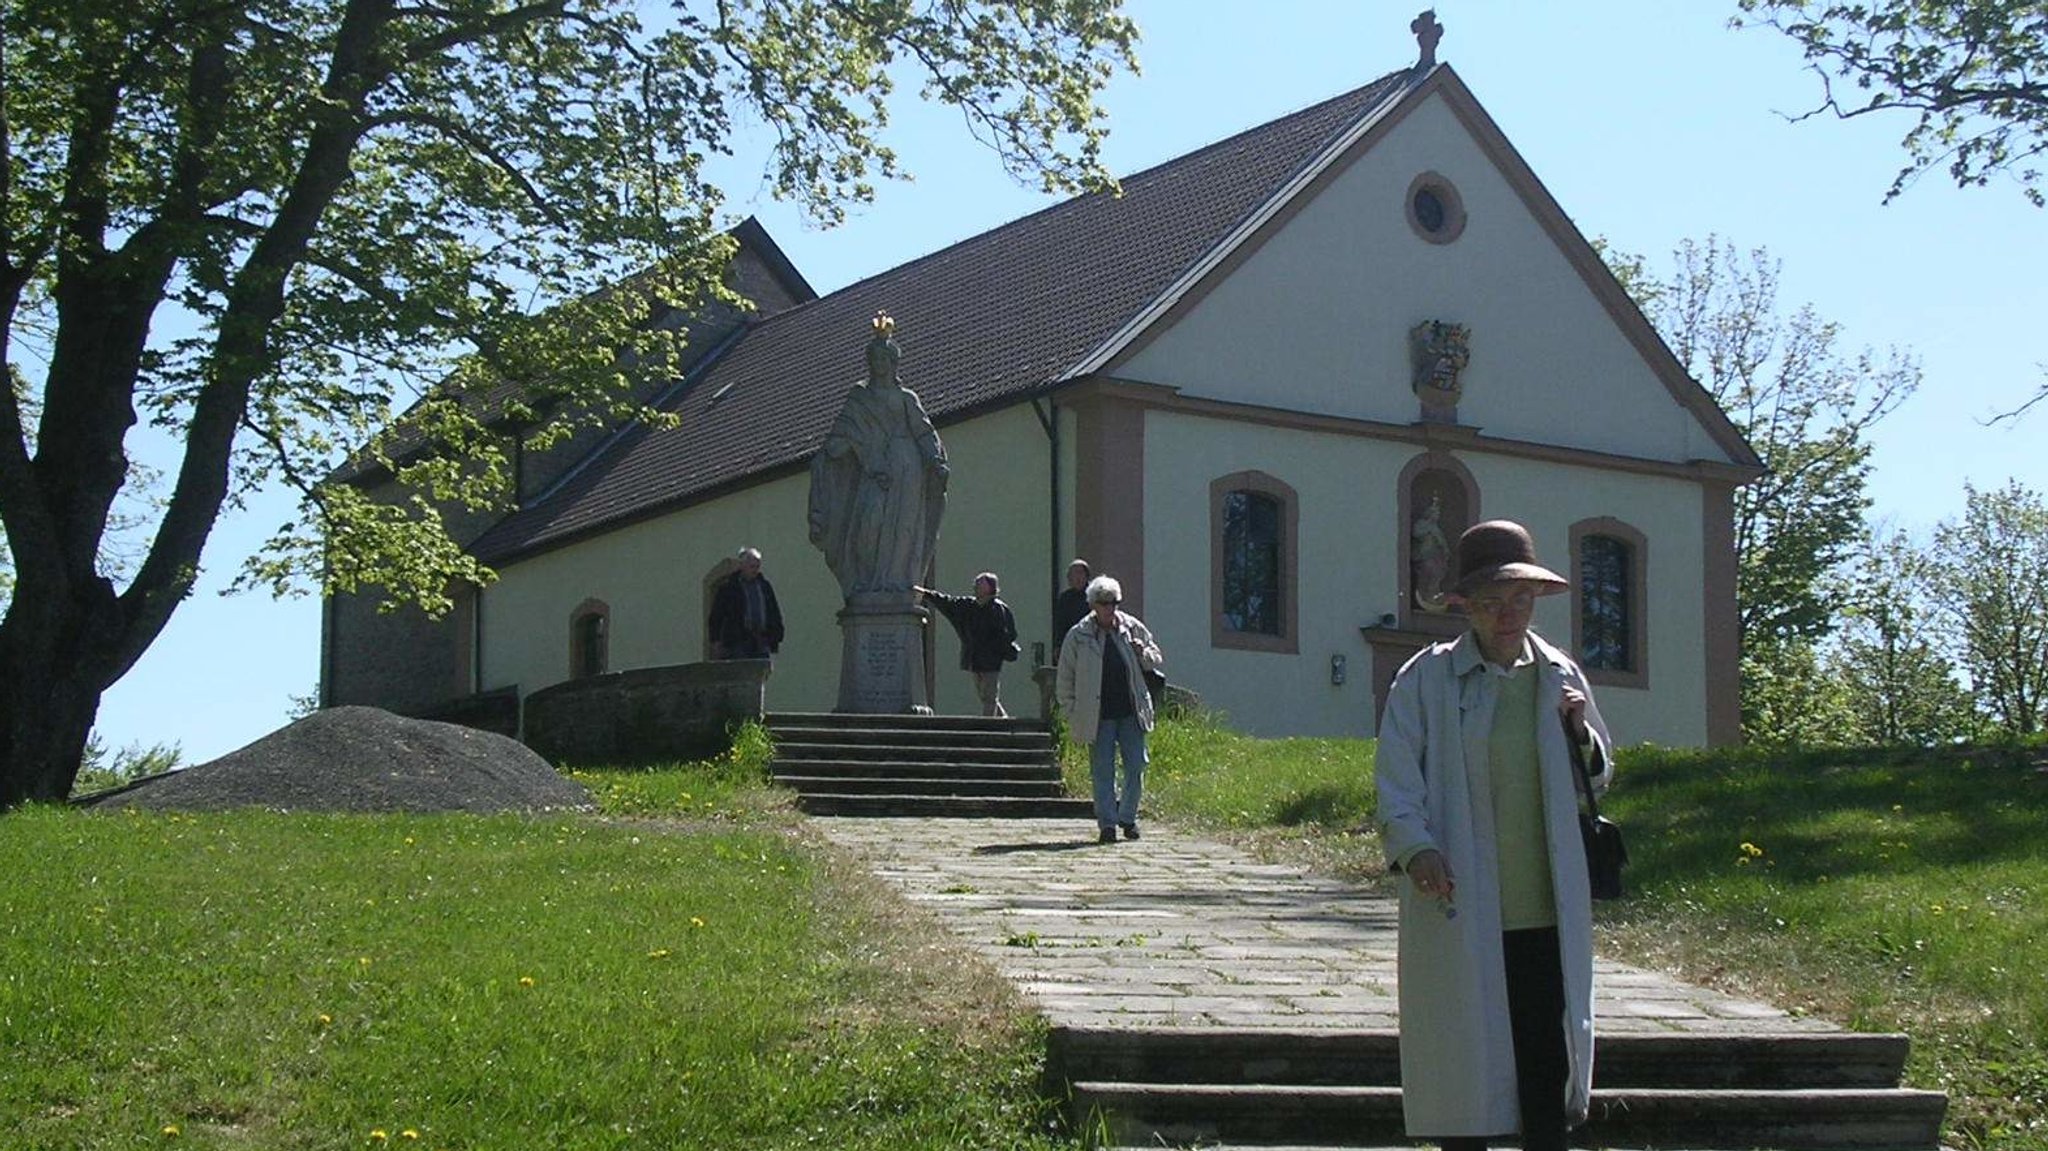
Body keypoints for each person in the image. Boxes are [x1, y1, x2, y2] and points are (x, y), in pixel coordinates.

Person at [1373, 520, 1614, 1151]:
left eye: (1519, 601)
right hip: (1460, 896)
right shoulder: (1425, 679)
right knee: (1462, 1052)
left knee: (1543, 1061)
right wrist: (1415, 845)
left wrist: (1579, 729)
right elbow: (1397, 779)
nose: (1507, 616)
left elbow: (1599, 772)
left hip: (1542, 904)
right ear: (1465, 606)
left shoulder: (1558, 675)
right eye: (1490, 602)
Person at [807, 312, 949, 599]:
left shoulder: (906, 397)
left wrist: (935, 460)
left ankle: (896, 586)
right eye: (875, 360)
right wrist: (843, 451)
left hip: (907, 468)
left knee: (903, 531)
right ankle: (866, 583)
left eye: (885, 360)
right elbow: (839, 437)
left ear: (893, 364)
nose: (879, 365)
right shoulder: (858, 398)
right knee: (867, 527)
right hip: (872, 468)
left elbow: (924, 431)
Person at [1055, 576, 1164, 844]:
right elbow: (1065, 677)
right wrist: (1071, 710)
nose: (1109, 609)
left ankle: (1127, 816)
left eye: (1114, 603)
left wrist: (1143, 654)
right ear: (1093, 604)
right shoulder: (1078, 635)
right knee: (1102, 770)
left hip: (1130, 711)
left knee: (1136, 765)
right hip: (1097, 715)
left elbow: (1156, 657)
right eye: (1104, 603)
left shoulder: (1131, 627)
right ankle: (1107, 824)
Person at [916, 573, 1019, 717]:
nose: (975, 586)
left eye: (979, 584)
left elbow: (1008, 635)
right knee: (985, 697)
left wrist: (997, 651)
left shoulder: (998, 610)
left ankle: (988, 729)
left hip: (991, 660)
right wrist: (927, 594)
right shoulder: (969, 606)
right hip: (974, 658)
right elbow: (948, 602)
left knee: (989, 697)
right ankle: (1003, 721)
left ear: (990, 587)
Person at [707, 546, 785, 660]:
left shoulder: (764, 586)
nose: (755, 570)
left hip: (761, 640)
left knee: (761, 672)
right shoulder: (729, 588)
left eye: (757, 567)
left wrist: (777, 635)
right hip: (738, 641)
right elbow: (716, 616)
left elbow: (773, 611)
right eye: (752, 566)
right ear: (742, 566)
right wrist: (715, 641)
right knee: (742, 673)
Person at [1050, 559, 1091, 660]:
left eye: (1080, 573)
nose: (1077, 578)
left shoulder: (1094, 596)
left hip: (1091, 644)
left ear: (1087, 576)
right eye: (1073, 574)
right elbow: (1059, 623)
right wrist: (1058, 645)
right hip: (1071, 644)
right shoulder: (1065, 598)